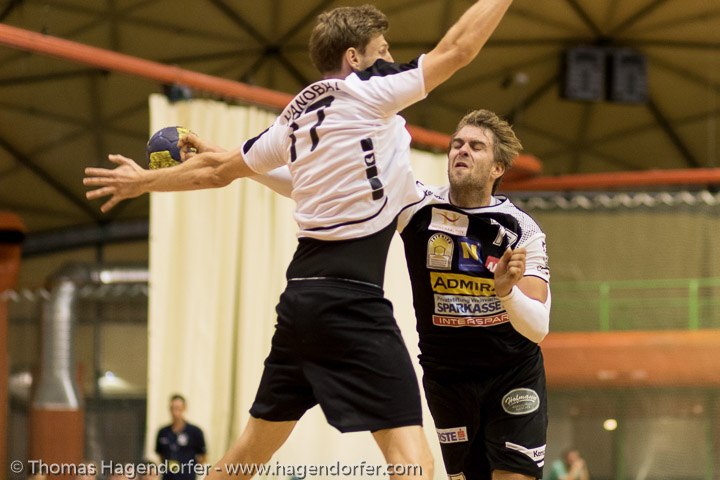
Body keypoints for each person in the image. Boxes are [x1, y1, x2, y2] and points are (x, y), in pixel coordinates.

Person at [84, 2, 514, 479]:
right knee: (414, 463)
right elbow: (458, 49)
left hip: (301, 303)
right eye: (383, 50)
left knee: (246, 456)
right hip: (353, 302)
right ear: (354, 58)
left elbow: (219, 171)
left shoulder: (295, 117)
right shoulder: (370, 89)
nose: (391, 58)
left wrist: (142, 182)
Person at [397, 109, 551, 480]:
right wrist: (257, 166)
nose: (462, 150)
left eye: (476, 146)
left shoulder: (522, 230)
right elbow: (343, 196)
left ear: (498, 168)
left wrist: (506, 293)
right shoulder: (415, 206)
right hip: (446, 377)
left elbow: (538, 328)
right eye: (457, 144)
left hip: (512, 373)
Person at [155, 394, 207, 480]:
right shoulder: (163, 432)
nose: (175, 412)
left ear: (184, 408)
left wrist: (187, 467)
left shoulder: (195, 432)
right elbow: (160, 455)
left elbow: (203, 457)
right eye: (172, 408)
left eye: (178, 408)